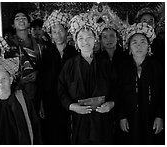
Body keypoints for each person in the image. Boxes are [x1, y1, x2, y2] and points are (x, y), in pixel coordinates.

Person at [58, 13, 116, 144]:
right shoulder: (69, 65)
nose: (85, 42)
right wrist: (71, 106)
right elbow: (61, 90)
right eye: (81, 38)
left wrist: (111, 104)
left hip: (102, 120)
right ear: (76, 42)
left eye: (89, 37)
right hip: (79, 120)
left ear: (95, 39)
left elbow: (116, 87)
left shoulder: (104, 63)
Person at [0, 57, 42, 145]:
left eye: (4, 78)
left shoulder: (22, 99)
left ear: (11, 80)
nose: (0, 83)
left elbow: (35, 128)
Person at [118, 23, 164, 144]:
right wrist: (122, 116)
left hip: (152, 117)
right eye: (134, 42)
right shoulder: (122, 68)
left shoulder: (157, 67)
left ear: (148, 46)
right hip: (129, 117)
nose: (139, 46)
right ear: (129, 47)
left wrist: (160, 116)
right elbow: (118, 93)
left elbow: (163, 93)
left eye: (143, 42)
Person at [38, 10, 78, 144]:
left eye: (60, 31)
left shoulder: (74, 52)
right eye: (54, 32)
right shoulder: (47, 53)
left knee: (71, 132)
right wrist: (42, 103)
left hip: (71, 99)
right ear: (50, 35)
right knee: (53, 132)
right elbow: (42, 81)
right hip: (51, 100)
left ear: (67, 31)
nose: (58, 35)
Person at [4, 10, 41, 109]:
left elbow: (46, 64)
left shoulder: (39, 44)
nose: (21, 20)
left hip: (37, 88)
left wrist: (38, 73)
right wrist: (19, 80)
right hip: (17, 88)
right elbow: (4, 68)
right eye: (17, 18)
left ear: (28, 23)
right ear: (13, 25)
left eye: (24, 18)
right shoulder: (7, 45)